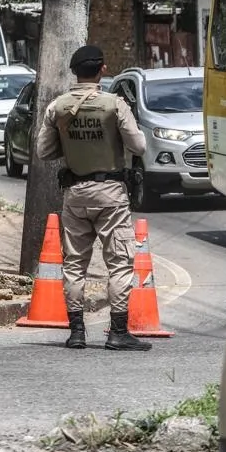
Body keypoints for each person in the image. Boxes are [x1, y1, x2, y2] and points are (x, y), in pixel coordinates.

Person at [35, 45, 151, 351]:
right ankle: (117, 331)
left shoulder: (57, 107)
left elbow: (44, 152)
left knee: (74, 263)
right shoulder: (114, 105)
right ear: (102, 69)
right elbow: (139, 147)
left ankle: (76, 331)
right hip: (111, 194)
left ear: (75, 71)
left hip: (75, 194)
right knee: (119, 262)